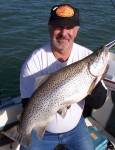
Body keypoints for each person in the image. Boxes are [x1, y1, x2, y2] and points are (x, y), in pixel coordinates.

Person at [20, 4, 107, 150]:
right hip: (43, 130)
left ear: (76, 31)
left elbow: (98, 103)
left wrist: (94, 82)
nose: (64, 32)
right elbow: (27, 104)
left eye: (70, 27)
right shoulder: (33, 63)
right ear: (49, 27)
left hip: (75, 128)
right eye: (58, 27)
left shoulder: (85, 55)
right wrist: (28, 126)